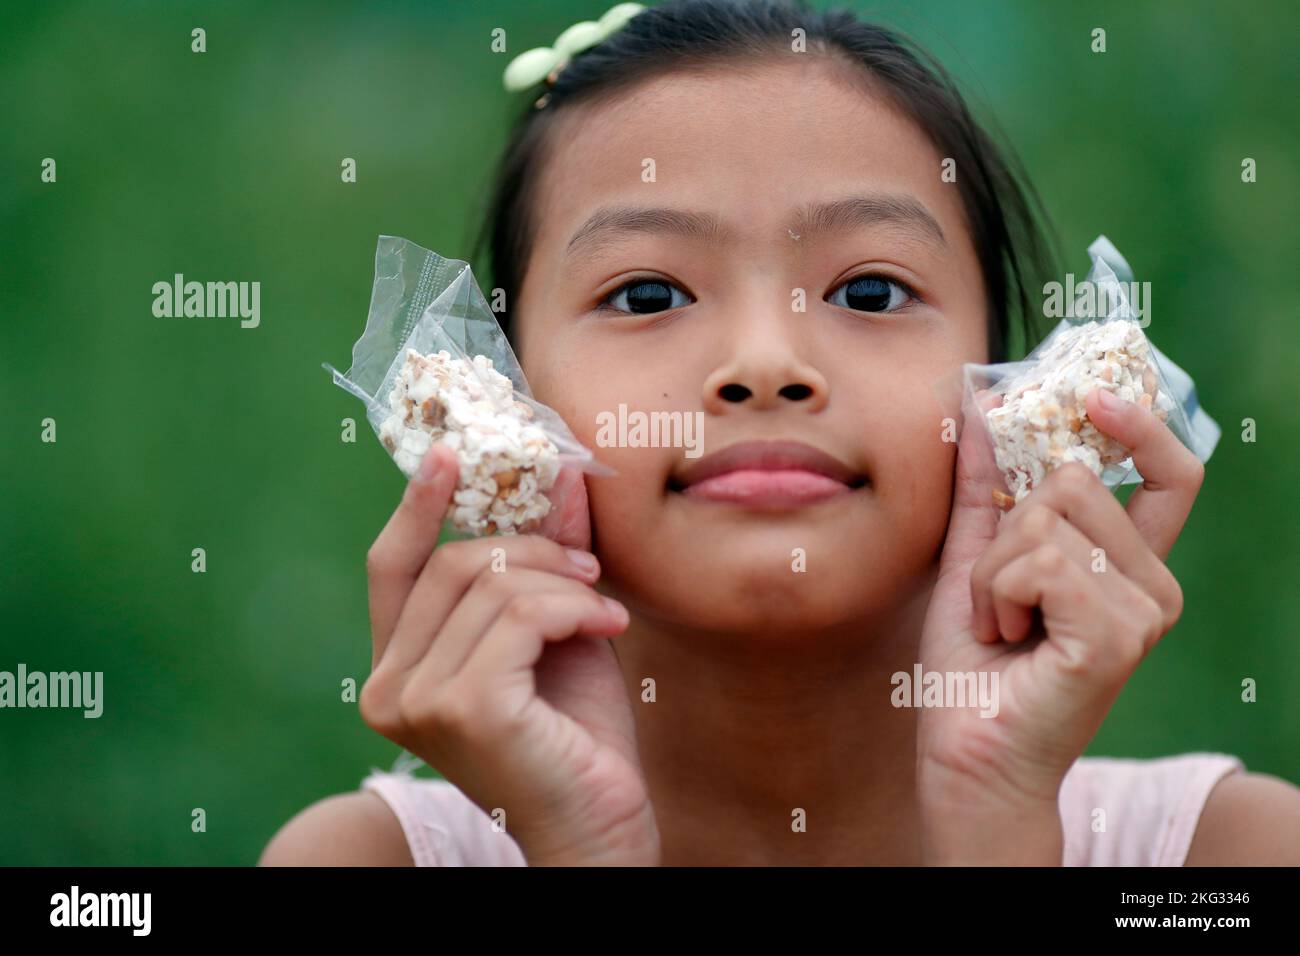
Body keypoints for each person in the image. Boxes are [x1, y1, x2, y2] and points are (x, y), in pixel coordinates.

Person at [261, 0, 1300, 866]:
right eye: (648, 292)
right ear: (503, 401)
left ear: (1015, 390)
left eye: (871, 287)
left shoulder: (1225, 852)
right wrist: (578, 846)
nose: (764, 361)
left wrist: (999, 822)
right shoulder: (360, 858)